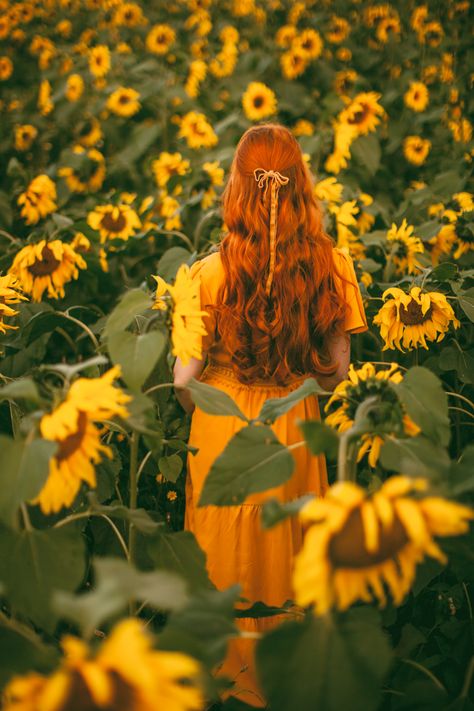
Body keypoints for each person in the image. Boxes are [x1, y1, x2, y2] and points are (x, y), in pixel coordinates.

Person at [173, 123, 368, 707]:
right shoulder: (332, 266)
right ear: (302, 185)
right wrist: (293, 382)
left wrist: (215, 401)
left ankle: (224, 684)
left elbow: (184, 381)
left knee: (220, 559)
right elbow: (337, 375)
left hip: (220, 428)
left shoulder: (204, 274)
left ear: (236, 187)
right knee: (291, 552)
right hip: (293, 427)